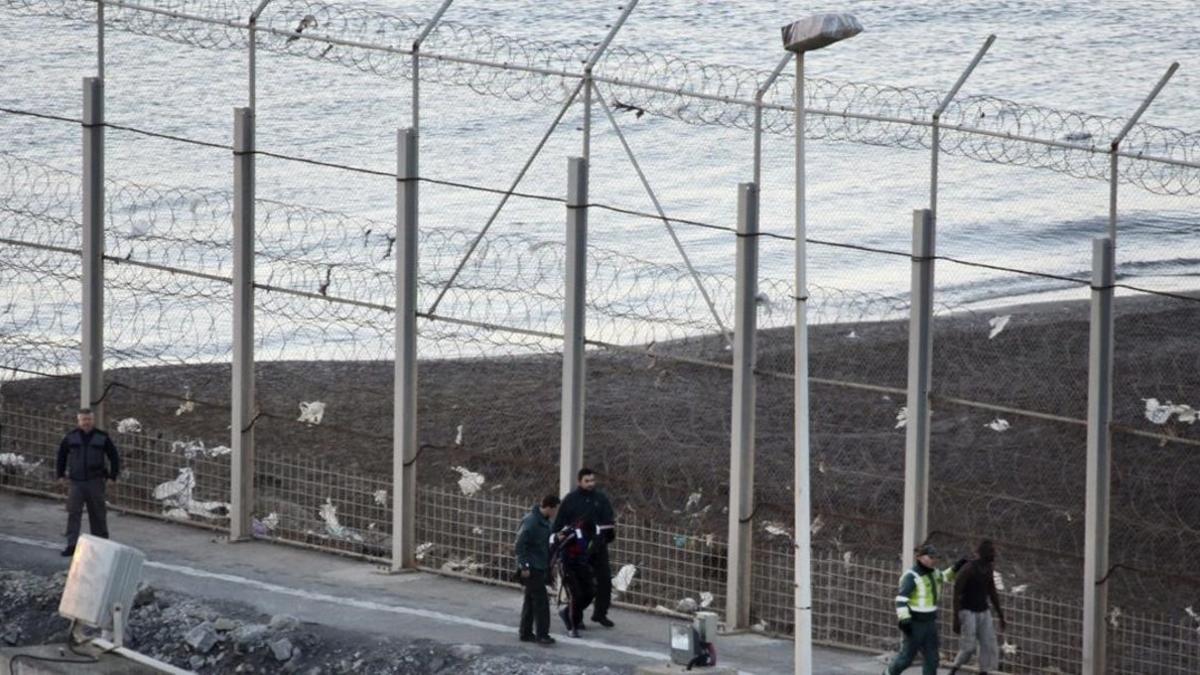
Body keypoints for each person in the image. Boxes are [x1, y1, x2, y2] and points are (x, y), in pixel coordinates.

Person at [884, 543, 968, 675]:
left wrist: (956, 567)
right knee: (906, 658)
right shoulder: (911, 576)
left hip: (930, 623)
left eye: (936, 557)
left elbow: (945, 576)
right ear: (920, 558)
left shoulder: (934, 573)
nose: (934, 560)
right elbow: (901, 599)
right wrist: (904, 619)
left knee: (932, 658)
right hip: (915, 623)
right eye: (931, 557)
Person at [553, 467, 617, 628]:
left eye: (592, 480)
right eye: (587, 481)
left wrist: (602, 535)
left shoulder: (600, 499)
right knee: (581, 586)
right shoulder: (571, 500)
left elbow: (609, 521)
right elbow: (559, 524)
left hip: (598, 546)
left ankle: (600, 613)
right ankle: (575, 616)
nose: (590, 484)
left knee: (604, 581)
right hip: (577, 549)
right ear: (579, 482)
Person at [55, 408, 120, 557]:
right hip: (76, 483)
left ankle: (101, 545)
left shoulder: (102, 437)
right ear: (78, 421)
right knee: (73, 513)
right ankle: (72, 545)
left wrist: (112, 476)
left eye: (89, 419)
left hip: (95, 481)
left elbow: (114, 457)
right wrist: (60, 475)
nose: (86, 422)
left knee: (98, 514)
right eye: (83, 419)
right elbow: (61, 456)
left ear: (93, 420)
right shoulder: (70, 437)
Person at [949, 540, 1007, 675]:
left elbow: (992, 591)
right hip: (967, 611)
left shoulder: (988, 569)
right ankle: (954, 668)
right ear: (984, 553)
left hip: (983, 611)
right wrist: (956, 618)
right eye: (991, 551)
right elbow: (956, 592)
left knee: (988, 644)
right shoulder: (969, 569)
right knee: (968, 648)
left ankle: (983, 671)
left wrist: (1000, 615)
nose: (994, 554)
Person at [515, 494, 560, 646]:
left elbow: (547, 542)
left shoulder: (544, 522)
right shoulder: (531, 522)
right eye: (555, 509)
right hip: (532, 568)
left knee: (530, 600)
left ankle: (526, 632)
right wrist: (524, 566)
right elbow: (520, 545)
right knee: (541, 602)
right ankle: (542, 634)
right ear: (549, 507)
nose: (555, 513)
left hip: (540, 566)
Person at [554, 509, 596, 638]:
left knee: (590, 592)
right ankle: (571, 626)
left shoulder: (594, 531)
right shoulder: (573, 533)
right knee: (576, 595)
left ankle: (569, 613)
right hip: (568, 566)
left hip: (581, 565)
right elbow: (557, 548)